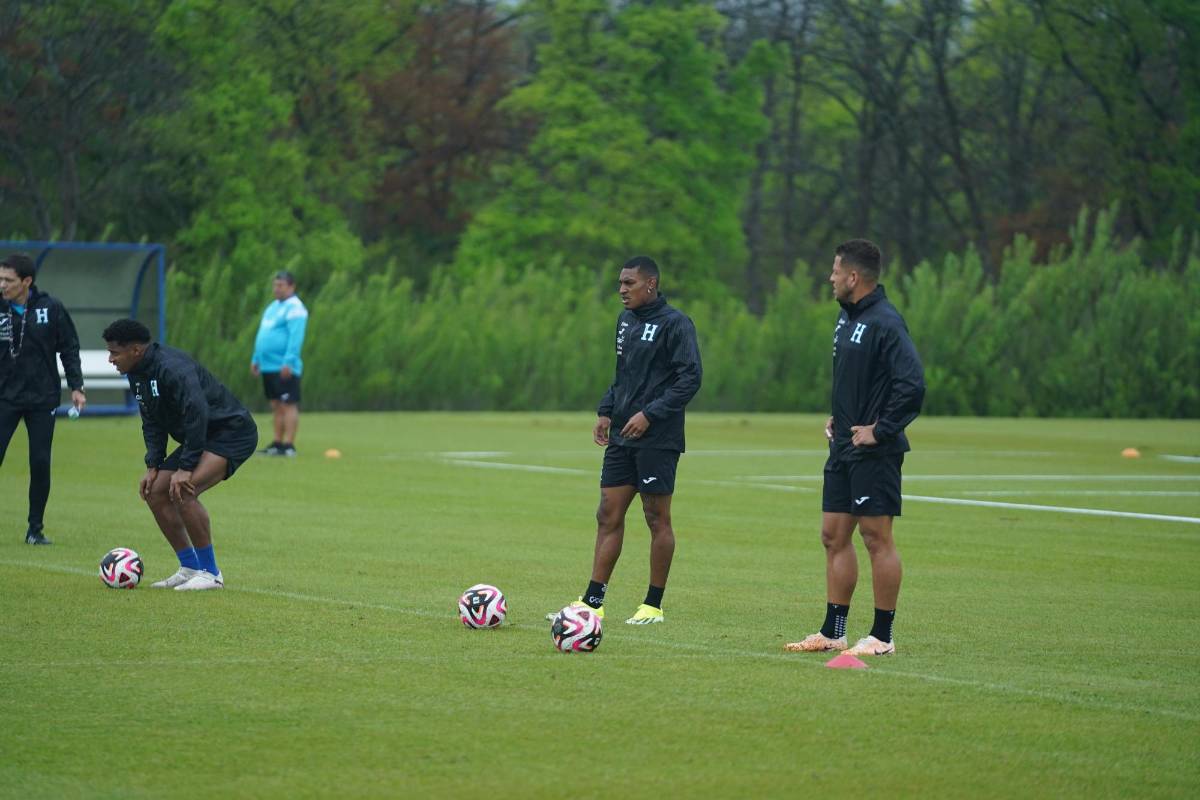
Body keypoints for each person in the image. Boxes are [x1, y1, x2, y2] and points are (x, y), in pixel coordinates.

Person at [786, 239, 924, 657]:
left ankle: (882, 636)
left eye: (834, 271)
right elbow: (857, 380)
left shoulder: (885, 321)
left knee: (876, 537)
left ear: (853, 276)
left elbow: (912, 384)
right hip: (843, 448)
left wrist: (880, 430)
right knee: (832, 535)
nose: (829, 278)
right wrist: (839, 417)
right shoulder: (847, 319)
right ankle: (834, 631)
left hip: (874, 452)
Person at [548, 256, 702, 625]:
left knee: (655, 517)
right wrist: (606, 410)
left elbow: (690, 378)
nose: (621, 290)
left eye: (629, 283)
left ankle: (652, 605)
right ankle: (593, 601)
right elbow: (623, 374)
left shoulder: (676, 324)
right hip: (622, 437)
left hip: (658, 438)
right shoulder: (625, 322)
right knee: (607, 514)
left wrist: (650, 414)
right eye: (620, 283)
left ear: (650, 284)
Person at [103, 318, 258, 591]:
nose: (110, 359)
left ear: (136, 350)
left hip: (231, 432)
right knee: (155, 492)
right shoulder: (137, 373)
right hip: (200, 436)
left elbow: (197, 414)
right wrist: (154, 464)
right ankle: (189, 567)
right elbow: (151, 420)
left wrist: (185, 468)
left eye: (115, 352)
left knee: (184, 490)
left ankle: (211, 574)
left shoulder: (172, 368)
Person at [0, 254, 86, 545]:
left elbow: (69, 348)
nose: (2, 285)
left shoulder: (51, 308)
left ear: (27, 282)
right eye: (0, 279)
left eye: (8, 280)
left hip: (42, 398)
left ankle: (34, 530)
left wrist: (77, 386)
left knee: (39, 462)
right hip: (4, 397)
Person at [251, 270, 308, 456]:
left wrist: (289, 361)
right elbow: (263, 334)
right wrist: (256, 358)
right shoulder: (272, 307)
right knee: (275, 405)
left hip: (283, 366)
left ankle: (289, 445)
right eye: (275, 285)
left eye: (281, 285)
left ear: (292, 286)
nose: (277, 289)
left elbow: (295, 338)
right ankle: (277, 443)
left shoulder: (296, 308)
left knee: (288, 404)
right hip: (267, 365)